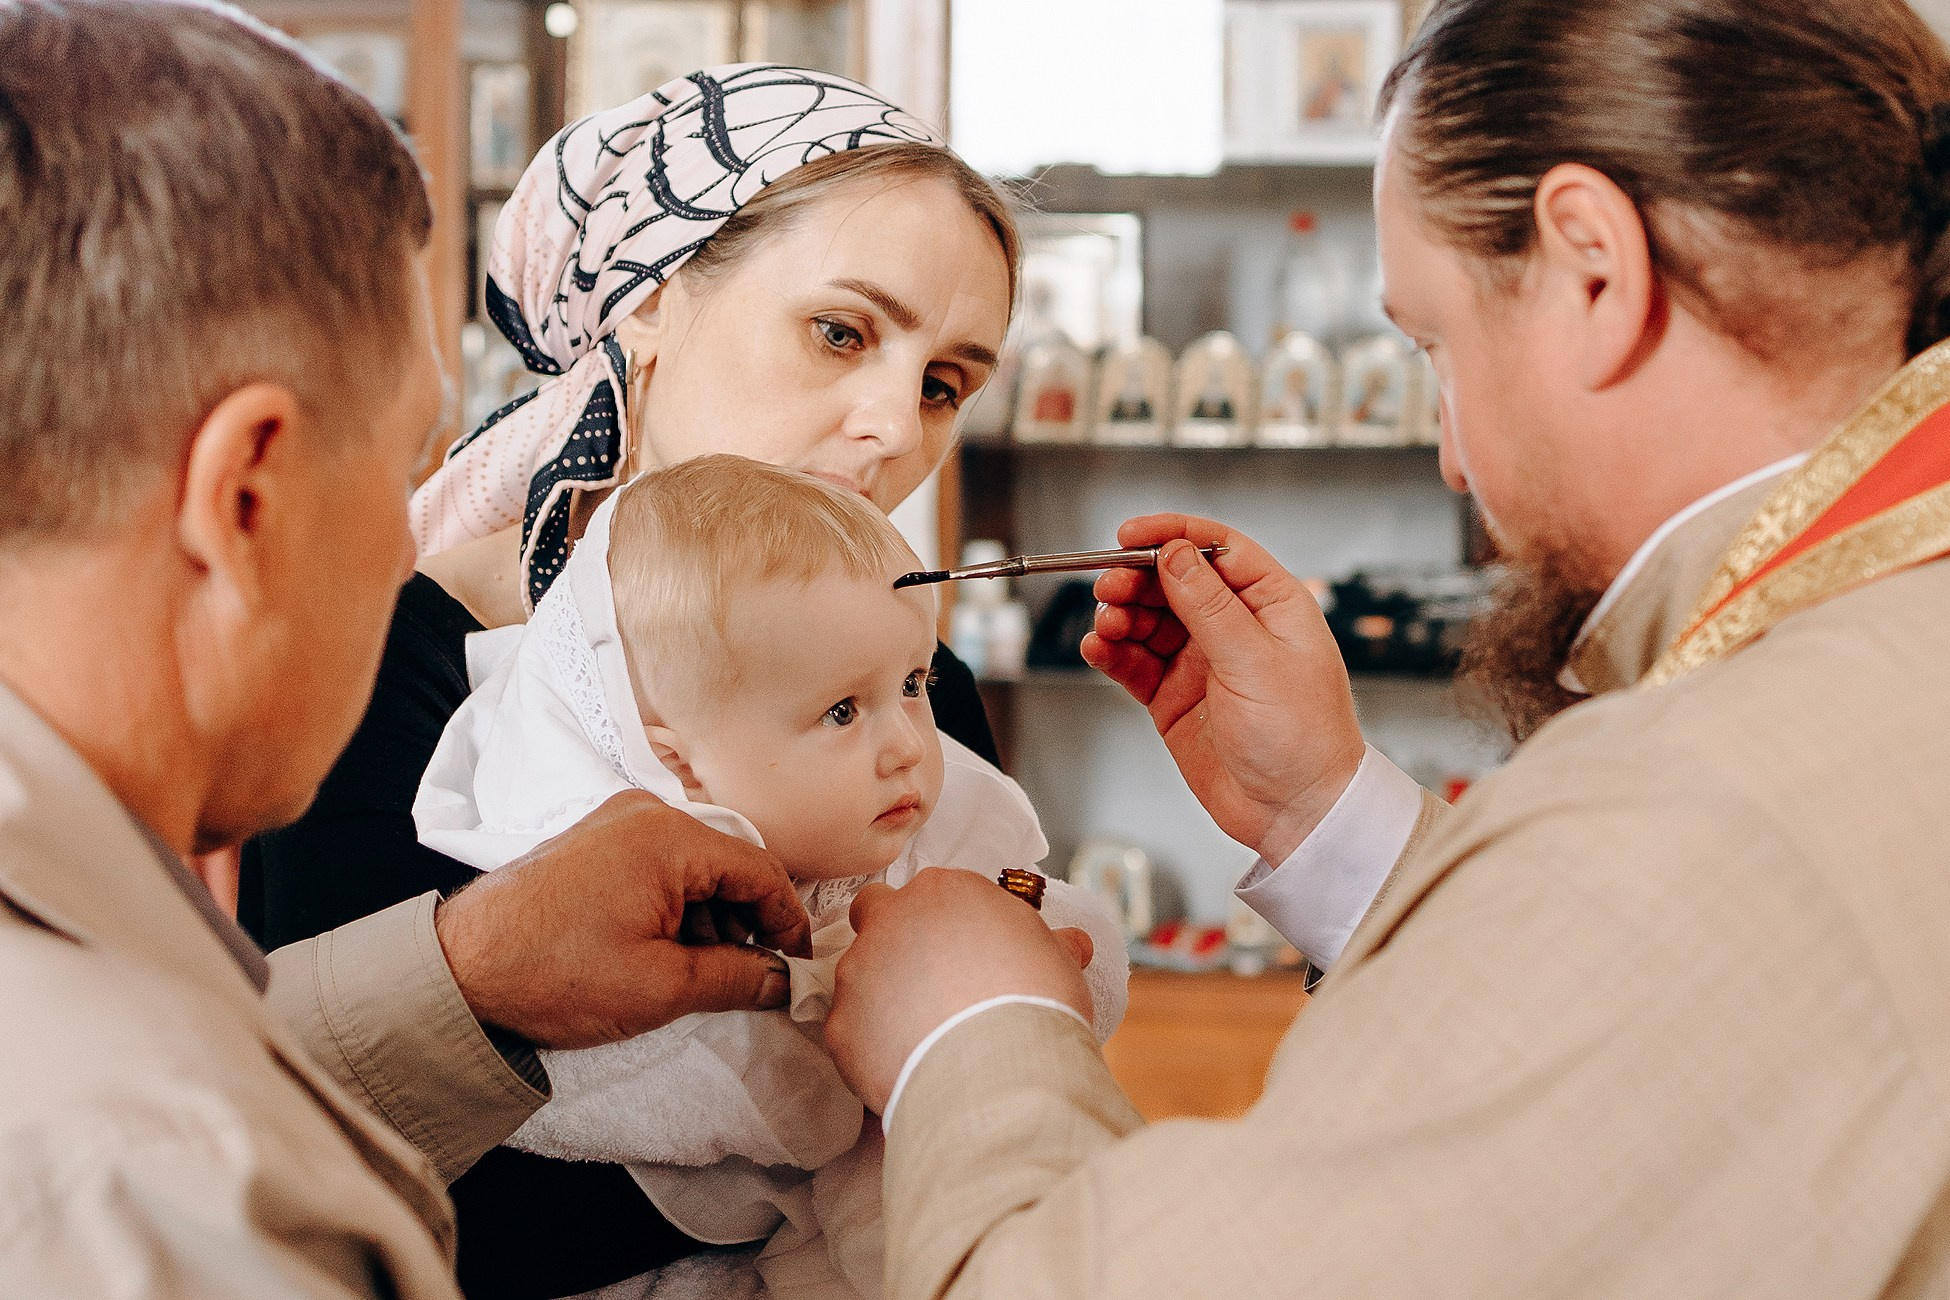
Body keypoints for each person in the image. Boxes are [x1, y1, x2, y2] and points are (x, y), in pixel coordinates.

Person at [823, 0, 1950, 1295]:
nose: (1450, 456)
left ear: (1593, 267)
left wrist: (970, 1030)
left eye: (1435, 346)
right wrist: (1320, 810)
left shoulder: (1714, 806)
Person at [0, 4, 819, 1296]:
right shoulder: (148, 1189)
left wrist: (466, 972)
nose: (404, 549)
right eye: (398, 469)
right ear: (247, 498)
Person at [236, 59, 1024, 1296]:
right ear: (653, 301)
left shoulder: (920, 692)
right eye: (839, 332)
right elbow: (322, 1164)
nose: (891, 426)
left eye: (942, 386)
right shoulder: (392, 663)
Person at [413, 456, 1124, 1298]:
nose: (906, 744)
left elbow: (1087, 963)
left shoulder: (924, 833)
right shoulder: (629, 916)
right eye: (841, 712)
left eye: (912, 684)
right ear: (681, 762)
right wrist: (841, 1055)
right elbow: (585, 1095)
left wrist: (1031, 958)